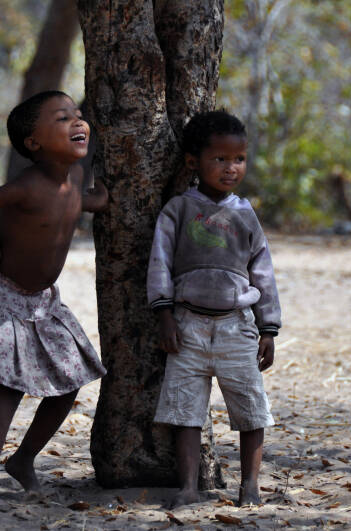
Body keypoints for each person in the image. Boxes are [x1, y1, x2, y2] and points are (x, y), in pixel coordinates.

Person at [0, 90, 108, 505]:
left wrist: (101, 201)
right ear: (34, 143)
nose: (78, 123)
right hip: (2, 295)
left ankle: (23, 459)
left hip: (43, 302)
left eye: (79, 116)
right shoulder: (25, 187)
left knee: (69, 383)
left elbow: (78, 203)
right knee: (10, 389)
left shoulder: (76, 178)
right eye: (63, 118)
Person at [147, 110, 282, 508]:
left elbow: (264, 272)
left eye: (238, 159)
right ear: (194, 162)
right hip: (186, 325)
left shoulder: (246, 214)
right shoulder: (178, 210)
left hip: (237, 328)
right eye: (219, 159)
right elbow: (159, 263)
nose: (230, 168)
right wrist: (164, 314)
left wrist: (269, 329)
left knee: (251, 408)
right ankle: (188, 486)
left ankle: (250, 486)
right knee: (186, 411)